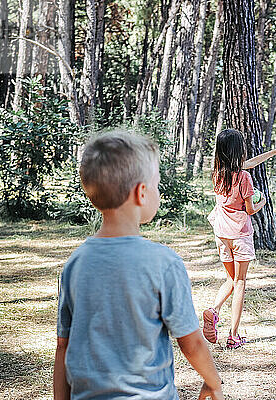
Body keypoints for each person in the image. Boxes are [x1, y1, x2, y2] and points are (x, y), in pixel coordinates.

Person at [53, 131, 224, 400]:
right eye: (156, 184)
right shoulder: (164, 263)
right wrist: (213, 382)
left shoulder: (75, 264)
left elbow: (63, 348)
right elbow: (191, 343)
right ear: (141, 193)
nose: (158, 191)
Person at [203, 128, 276, 349]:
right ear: (238, 150)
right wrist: (263, 202)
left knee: (230, 279)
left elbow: (249, 163)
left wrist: (275, 151)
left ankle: (214, 311)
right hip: (240, 234)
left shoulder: (217, 172)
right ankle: (233, 335)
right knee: (240, 282)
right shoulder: (244, 177)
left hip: (221, 233)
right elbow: (251, 210)